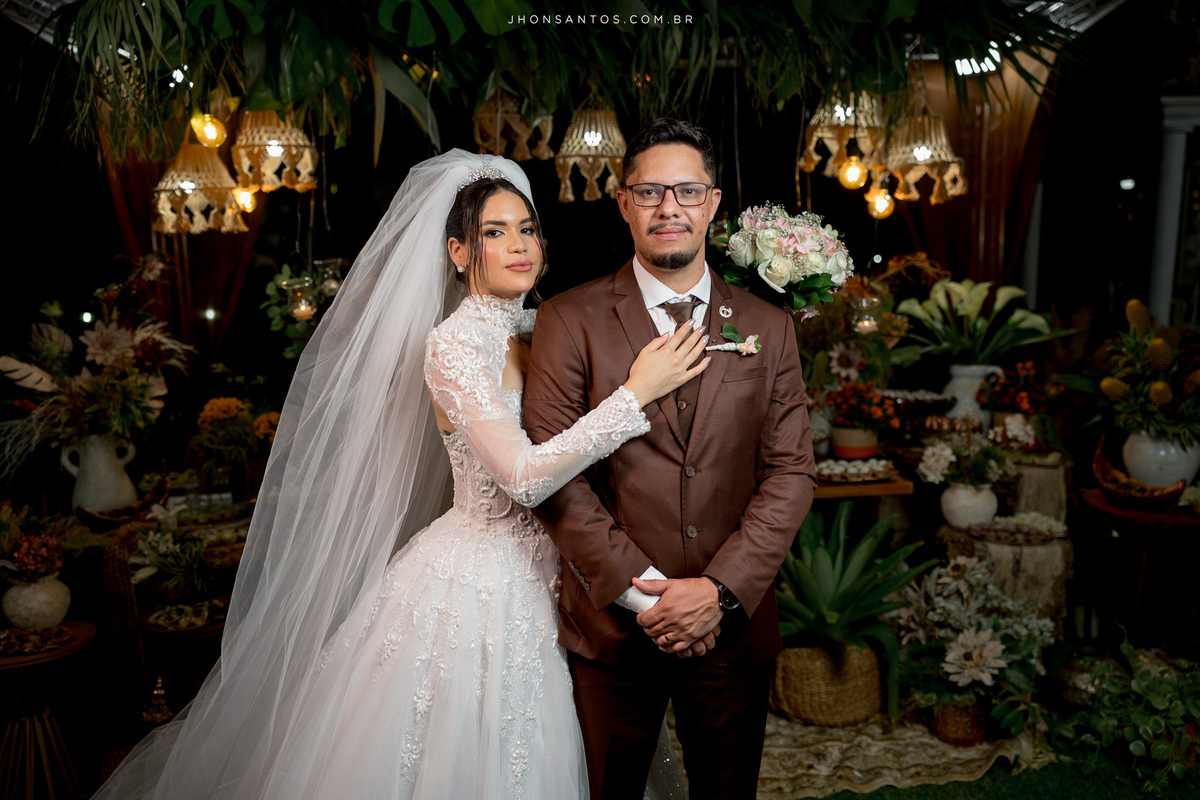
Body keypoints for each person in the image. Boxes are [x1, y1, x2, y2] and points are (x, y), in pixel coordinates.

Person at [93, 150, 708, 799]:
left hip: (573, 566)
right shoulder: (453, 346)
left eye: (527, 228)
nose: (518, 245)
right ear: (458, 252)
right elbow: (524, 477)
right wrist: (635, 395)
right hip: (486, 577)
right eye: (494, 232)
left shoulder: (546, 326)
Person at [523, 118, 817, 800]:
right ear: (624, 203)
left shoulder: (768, 327)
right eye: (649, 192)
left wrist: (717, 592)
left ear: (712, 204)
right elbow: (554, 475)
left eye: (687, 191)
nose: (668, 207)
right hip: (613, 628)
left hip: (732, 625)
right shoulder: (568, 319)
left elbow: (791, 472)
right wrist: (646, 595)